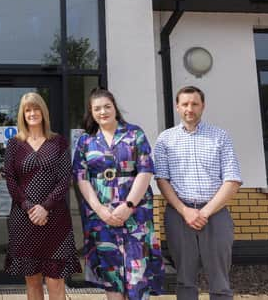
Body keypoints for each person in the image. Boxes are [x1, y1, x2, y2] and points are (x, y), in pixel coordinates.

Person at [73, 88, 164, 300]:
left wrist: (129, 205)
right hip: (101, 218)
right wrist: (100, 210)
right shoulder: (86, 141)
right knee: (111, 277)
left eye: (107, 106)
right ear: (91, 112)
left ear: (115, 108)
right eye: (97, 109)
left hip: (135, 216)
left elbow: (145, 170)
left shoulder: (134, 134)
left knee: (137, 276)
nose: (103, 112)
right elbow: (81, 178)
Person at [154, 86, 242, 300]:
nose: (189, 108)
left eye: (195, 104)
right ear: (177, 107)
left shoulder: (220, 136)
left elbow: (232, 180)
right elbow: (162, 180)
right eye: (185, 104)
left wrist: (204, 212)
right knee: (185, 279)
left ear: (203, 106)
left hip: (216, 213)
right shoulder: (165, 139)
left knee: (220, 281)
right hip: (179, 213)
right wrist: (185, 211)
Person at [3, 92, 81, 300]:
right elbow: (10, 179)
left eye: (36, 108)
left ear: (43, 112)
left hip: (55, 219)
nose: (32, 113)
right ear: (22, 114)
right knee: (32, 280)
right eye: (27, 110)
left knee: (56, 280)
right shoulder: (14, 144)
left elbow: (65, 178)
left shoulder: (59, 142)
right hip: (24, 219)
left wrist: (45, 207)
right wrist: (29, 207)